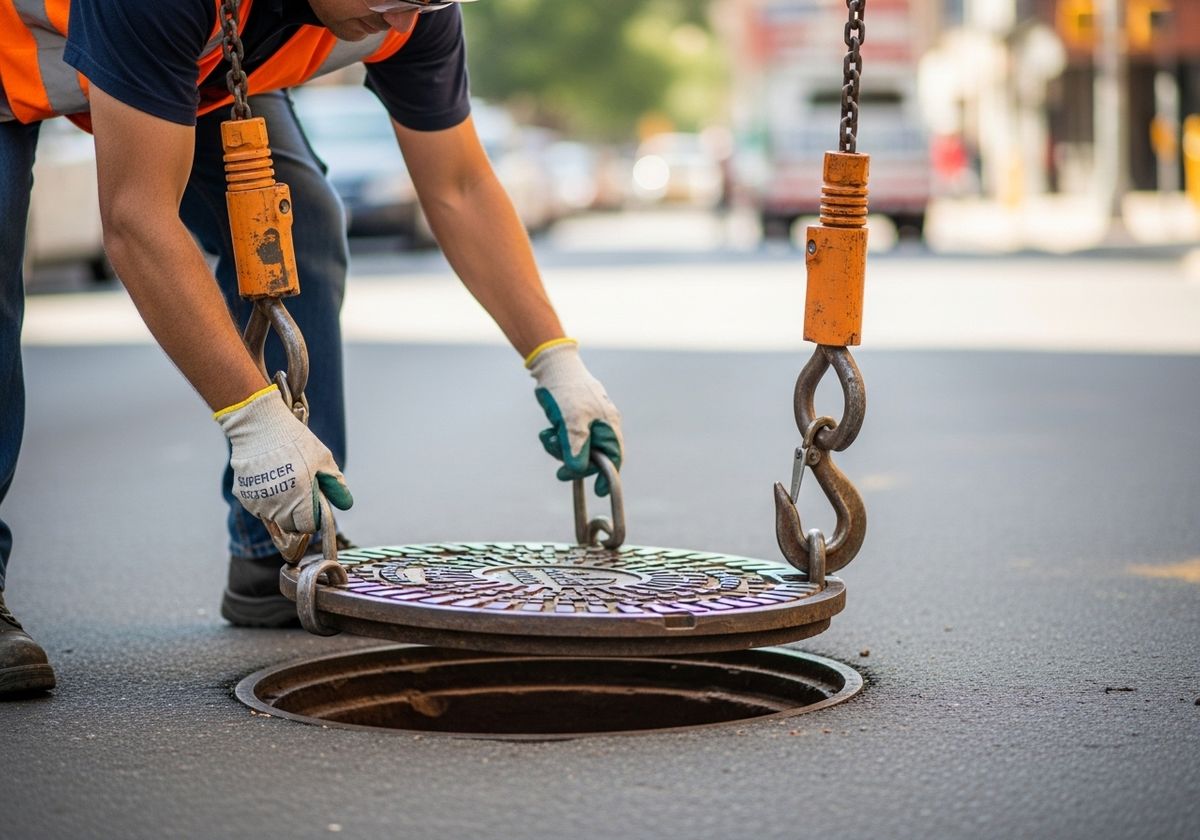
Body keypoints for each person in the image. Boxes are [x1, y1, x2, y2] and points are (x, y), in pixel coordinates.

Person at [0, 0, 624, 696]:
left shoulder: (413, 12)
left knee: (296, 221)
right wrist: (254, 422)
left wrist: (556, 360)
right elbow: (136, 219)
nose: (399, 9)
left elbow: (461, 186)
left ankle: (279, 548)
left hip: (188, 57)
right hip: (13, 48)